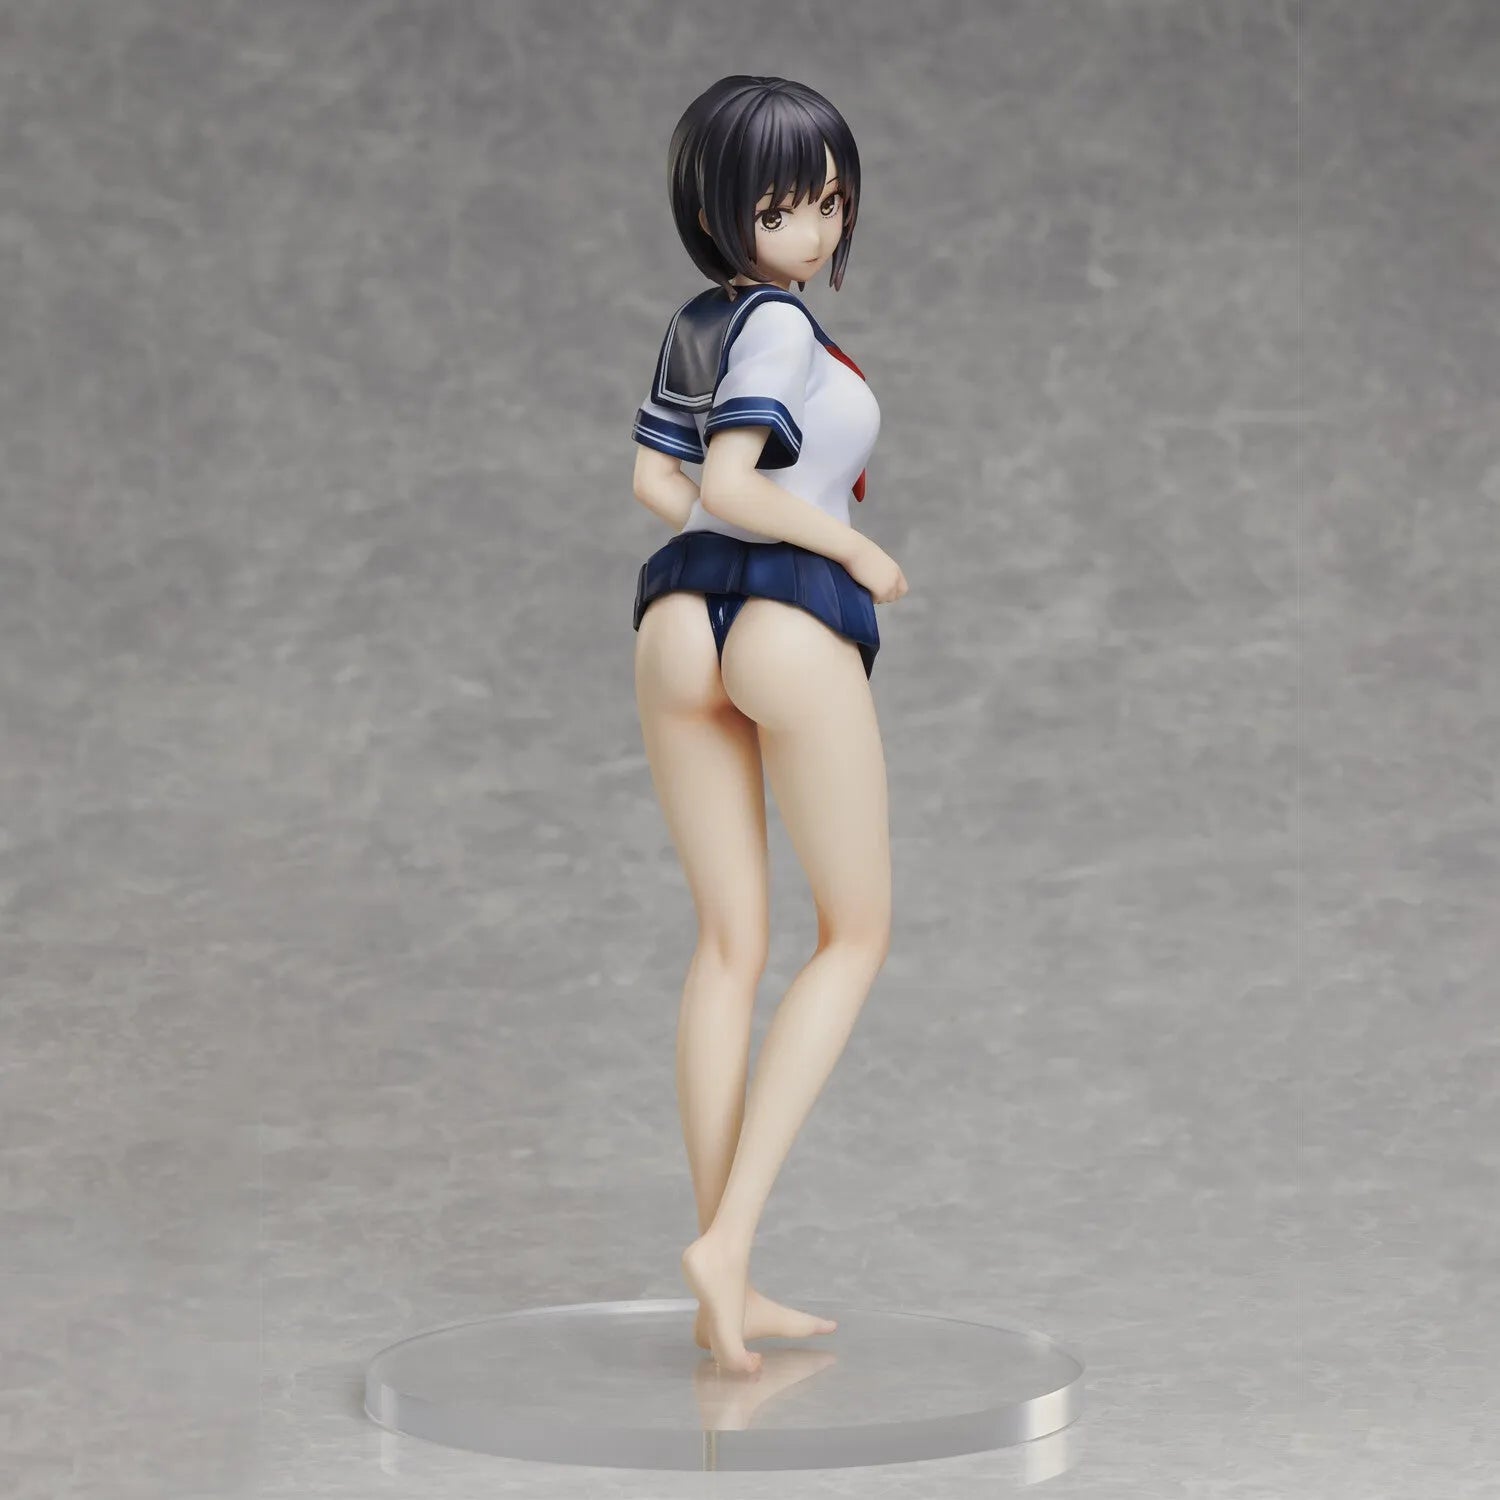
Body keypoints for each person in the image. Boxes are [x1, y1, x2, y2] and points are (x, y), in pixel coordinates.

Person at [629, 75, 908, 1374]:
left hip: (675, 620)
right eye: (784, 207)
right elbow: (740, 483)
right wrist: (853, 548)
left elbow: (662, 481)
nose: (814, 230)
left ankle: (722, 1290)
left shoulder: (696, 323)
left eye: (829, 202)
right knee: (853, 932)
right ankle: (729, 1241)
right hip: (790, 618)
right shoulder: (783, 327)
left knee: (727, 943)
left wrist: (729, 521)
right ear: (720, 211)